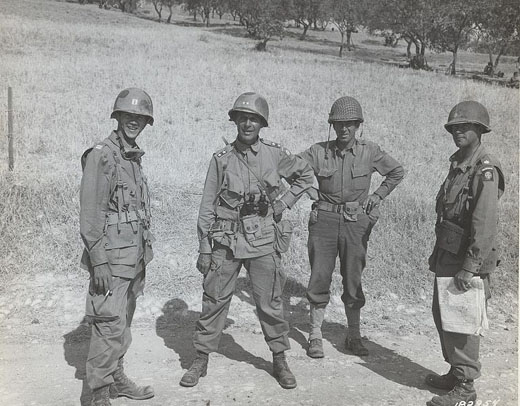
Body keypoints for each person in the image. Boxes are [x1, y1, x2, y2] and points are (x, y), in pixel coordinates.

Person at [180, 92, 314, 390]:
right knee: (214, 299)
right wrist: (204, 247)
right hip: (226, 240)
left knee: (270, 302)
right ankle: (201, 358)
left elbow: (305, 176)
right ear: (235, 121)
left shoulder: (274, 154)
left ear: (261, 124)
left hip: (264, 239)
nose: (247, 123)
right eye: (243, 118)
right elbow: (207, 205)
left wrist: (284, 202)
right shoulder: (221, 159)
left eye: (253, 119)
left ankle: (279, 358)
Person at [298, 96, 404, 358]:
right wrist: (307, 188)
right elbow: (288, 166)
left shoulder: (370, 151)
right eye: (339, 124)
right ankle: (315, 335)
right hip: (323, 222)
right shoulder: (318, 151)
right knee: (319, 276)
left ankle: (353, 335)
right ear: (332, 126)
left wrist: (377, 195)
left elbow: (396, 172)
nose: (344, 129)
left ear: (358, 125)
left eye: (350, 124)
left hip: (356, 223)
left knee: (353, 277)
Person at [425, 101, 505, 406]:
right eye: (454, 127)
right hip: (449, 252)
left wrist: (469, 267)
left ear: (480, 130)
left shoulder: (484, 169)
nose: (457, 132)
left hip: (466, 259)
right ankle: (456, 373)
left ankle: (466, 388)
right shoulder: (460, 162)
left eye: (464, 127)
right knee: (445, 316)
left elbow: (484, 224)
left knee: (463, 320)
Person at [80, 88, 156, 406]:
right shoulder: (103, 154)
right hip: (110, 258)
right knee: (108, 323)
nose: (133, 122)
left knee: (121, 320)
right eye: (128, 116)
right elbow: (91, 213)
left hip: (132, 255)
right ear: (118, 117)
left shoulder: (131, 155)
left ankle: (115, 379)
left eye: (139, 117)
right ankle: (98, 393)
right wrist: (98, 261)